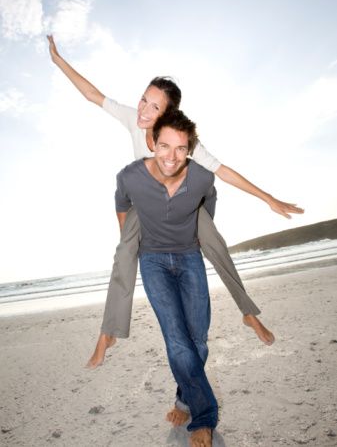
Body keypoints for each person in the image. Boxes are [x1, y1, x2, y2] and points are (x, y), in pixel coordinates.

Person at [46, 35, 304, 369]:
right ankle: (108, 332)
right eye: (143, 100)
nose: (143, 109)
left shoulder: (184, 142)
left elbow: (223, 172)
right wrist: (58, 60)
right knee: (124, 251)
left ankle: (249, 314)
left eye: (154, 106)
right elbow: (92, 94)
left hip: (182, 204)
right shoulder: (131, 119)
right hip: (146, 206)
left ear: (169, 114)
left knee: (215, 243)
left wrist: (268, 198)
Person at [115, 109, 218, 446]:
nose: (171, 156)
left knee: (197, 339)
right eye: (164, 146)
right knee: (176, 339)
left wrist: (204, 229)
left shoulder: (201, 177)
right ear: (153, 143)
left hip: (190, 257)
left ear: (189, 150)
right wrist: (129, 239)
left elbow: (211, 197)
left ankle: (184, 399)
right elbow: (121, 201)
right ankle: (203, 416)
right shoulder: (131, 176)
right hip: (154, 262)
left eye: (181, 149)